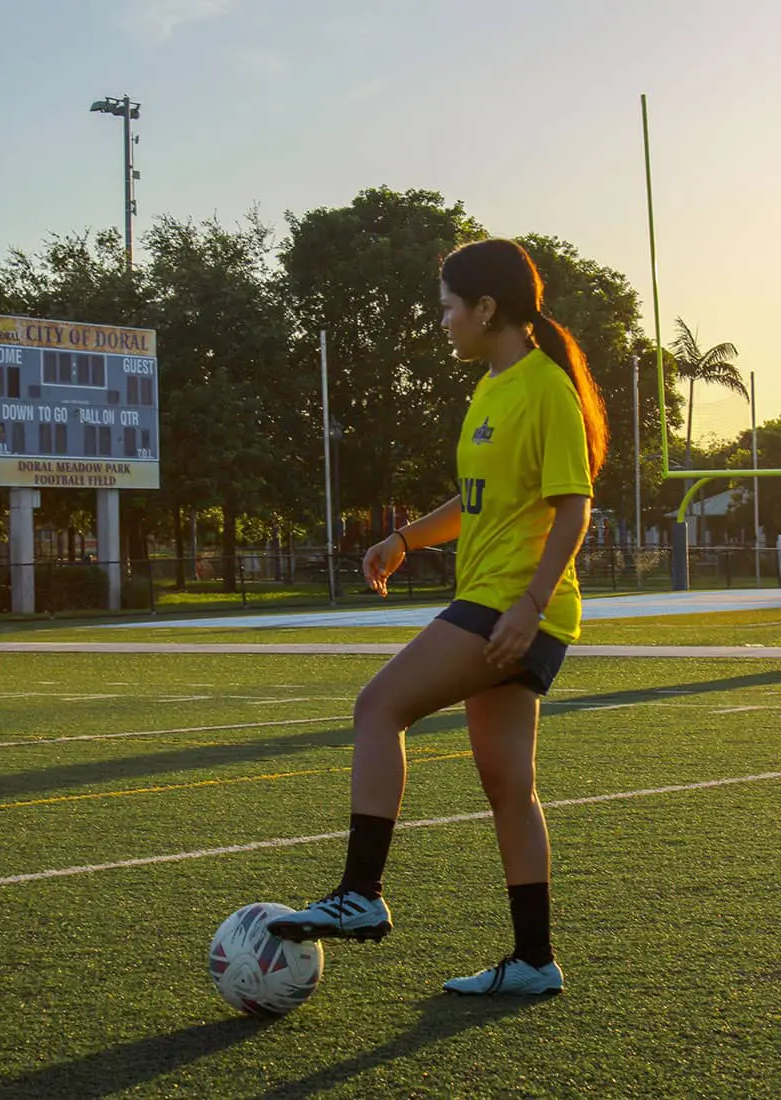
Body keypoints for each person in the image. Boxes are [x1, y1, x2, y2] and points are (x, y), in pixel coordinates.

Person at [268, 238, 608, 996]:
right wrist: (403, 538)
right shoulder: (491, 389)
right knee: (507, 786)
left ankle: (361, 893)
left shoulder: (545, 388)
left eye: (449, 307)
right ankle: (533, 961)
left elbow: (573, 508)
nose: (443, 322)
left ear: (488, 308)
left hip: (512, 603)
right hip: (507, 603)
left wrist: (526, 606)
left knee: (378, 706)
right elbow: (477, 502)